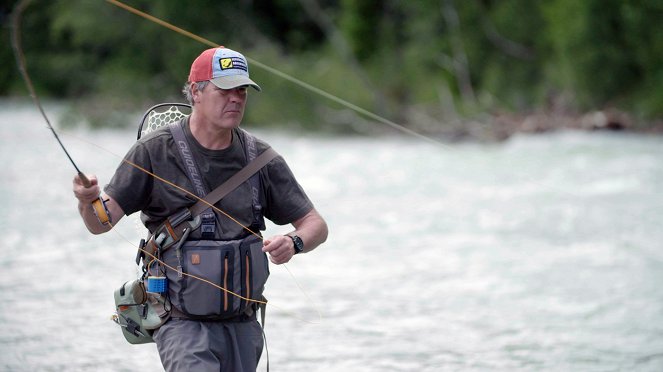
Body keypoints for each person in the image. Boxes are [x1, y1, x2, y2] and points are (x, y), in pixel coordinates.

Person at [72, 47, 328, 372]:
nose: (235, 98)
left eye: (242, 90)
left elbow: (315, 224)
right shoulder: (152, 152)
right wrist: (86, 199)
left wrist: (294, 242)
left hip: (244, 325)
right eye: (225, 90)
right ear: (196, 91)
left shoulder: (264, 159)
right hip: (181, 324)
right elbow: (100, 222)